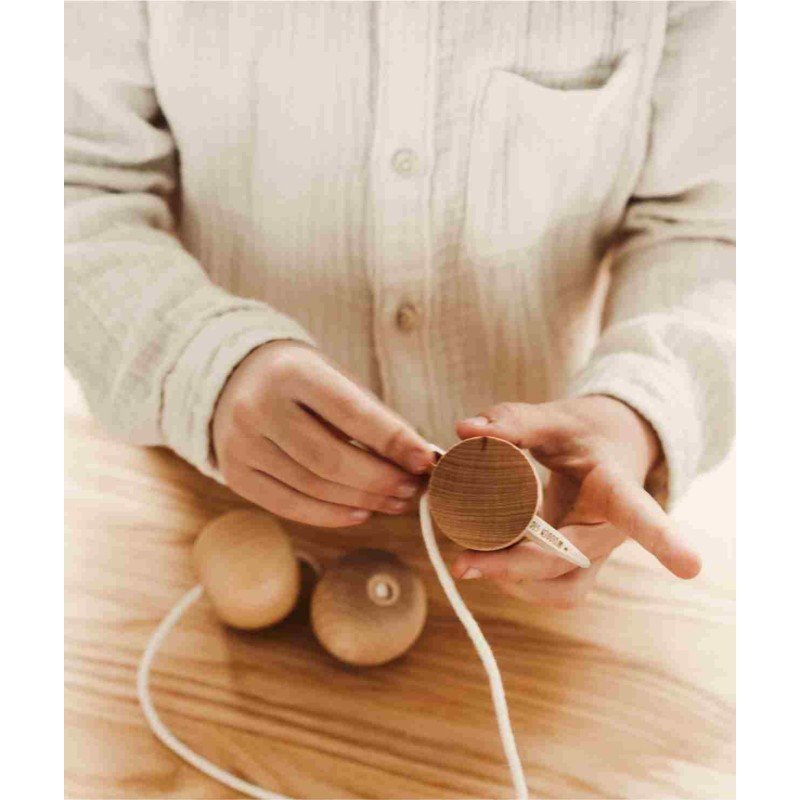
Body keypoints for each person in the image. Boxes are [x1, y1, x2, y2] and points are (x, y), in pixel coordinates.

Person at [65, 1, 734, 608]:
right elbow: (70, 177)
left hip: (544, 532)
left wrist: (639, 411)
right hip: (208, 500)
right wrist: (197, 366)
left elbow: (718, 224)